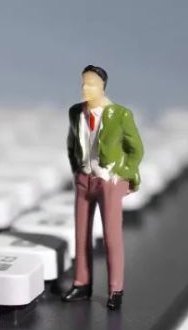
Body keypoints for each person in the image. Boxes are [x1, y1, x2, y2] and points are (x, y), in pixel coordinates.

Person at [61, 65, 144, 310]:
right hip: (84, 179)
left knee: (111, 237)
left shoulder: (120, 114)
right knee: (81, 235)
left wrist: (122, 174)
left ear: (102, 87)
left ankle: (115, 289)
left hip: (108, 180)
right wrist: (77, 169)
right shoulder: (75, 112)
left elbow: (136, 149)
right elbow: (72, 144)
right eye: (83, 83)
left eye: (91, 84)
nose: (85, 88)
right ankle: (82, 283)